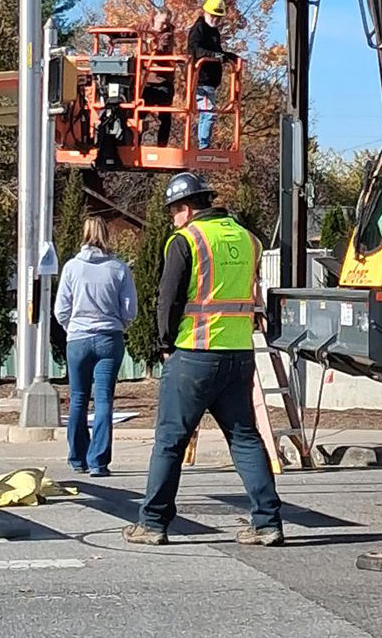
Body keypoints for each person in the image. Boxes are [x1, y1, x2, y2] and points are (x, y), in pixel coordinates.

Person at [123, 172, 283, 548]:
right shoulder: (248, 239)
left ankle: (152, 523)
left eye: (173, 211)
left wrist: (164, 343)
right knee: (245, 438)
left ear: (185, 207)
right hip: (239, 354)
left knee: (170, 441)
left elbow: (169, 299)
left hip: (193, 353)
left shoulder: (186, 239)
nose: (172, 219)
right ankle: (268, 523)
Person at [54, 214, 137, 477]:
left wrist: (73, 327)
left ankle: (77, 457)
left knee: (78, 398)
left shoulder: (71, 268)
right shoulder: (118, 268)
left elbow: (61, 309)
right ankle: (98, 461)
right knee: (104, 400)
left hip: (78, 339)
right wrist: (119, 325)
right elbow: (129, 309)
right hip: (109, 338)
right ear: (107, 235)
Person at [187, 0, 237, 149]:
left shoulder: (214, 32)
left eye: (218, 17)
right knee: (209, 113)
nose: (216, 19)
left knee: (205, 112)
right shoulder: (199, 29)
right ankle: (203, 144)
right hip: (200, 80)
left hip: (211, 82)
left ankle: (203, 142)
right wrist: (212, 55)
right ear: (206, 12)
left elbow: (218, 51)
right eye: (213, 16)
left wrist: (229, 56)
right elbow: (195, 49)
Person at [142, 7, 176, 147]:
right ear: (154, 18)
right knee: (138, 115)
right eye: (162, 22)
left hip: (162, 81)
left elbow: (161, 52)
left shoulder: (167, 35)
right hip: (146, 81)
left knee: (165, 115)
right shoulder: (145, 28)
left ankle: (162, 146)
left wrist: (152, 47)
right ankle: (133, 144)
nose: (164, 26)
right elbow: (131, 30)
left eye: (167, 23)